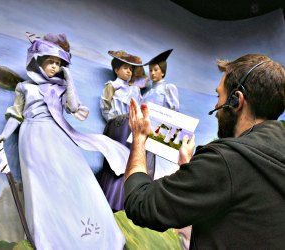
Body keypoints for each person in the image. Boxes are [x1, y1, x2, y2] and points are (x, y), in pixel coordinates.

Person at [124, 54, 285, 249]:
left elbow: (141, 205)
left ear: (236, 101)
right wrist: (190, 168)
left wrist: (139, 139)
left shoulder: (226, 161)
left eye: (219, 96)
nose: (217, 106)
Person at [0, 33, 127, 250]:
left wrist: (69, 78)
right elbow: (16, 115)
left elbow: (73, 107)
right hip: (33, 139)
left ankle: (91, 234)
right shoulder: (25, 87)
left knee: (76, 178)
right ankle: (51, 238)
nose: (54, 67)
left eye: (58, 63)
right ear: (39, 61)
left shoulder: (60, 87)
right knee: (42, 185)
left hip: (58, 136)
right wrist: (4, 135)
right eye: (51, 62)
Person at [98, 50, 148, 211]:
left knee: (130, 161)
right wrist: (114, 122)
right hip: (117, 127)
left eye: (131, 69)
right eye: (125, 68)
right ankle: (108, 199)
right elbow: (105, 106)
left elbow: (140, 108)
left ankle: (123, 202)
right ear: (116, 70)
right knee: (114, 164)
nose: (128, 71)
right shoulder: (112, 86)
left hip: (132, 128)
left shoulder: (135, 90)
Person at [142, 49, 180, 180]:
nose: (152, 73)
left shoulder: (168, 88)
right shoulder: (147, 93)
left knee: (155, 168)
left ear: (163, 72)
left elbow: (174, 111)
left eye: (156, 69)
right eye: (150, 70)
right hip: (145, 132)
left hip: (159, 133)